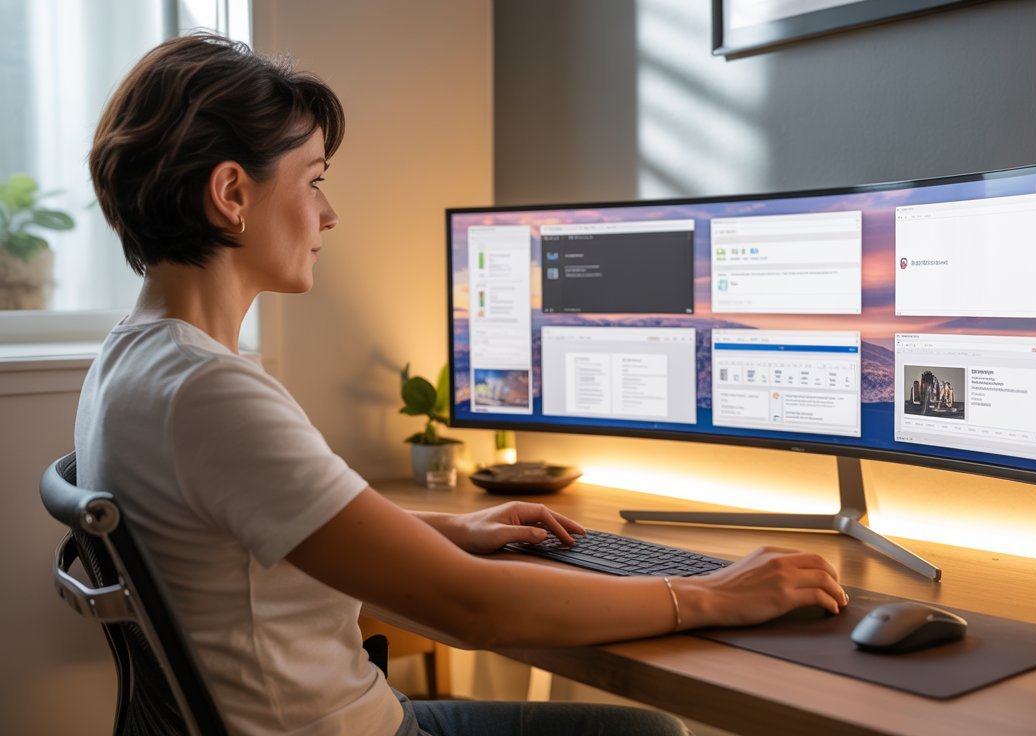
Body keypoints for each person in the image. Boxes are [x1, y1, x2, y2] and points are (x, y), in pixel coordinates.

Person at [77, 34, 847, 736]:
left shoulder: (134, 359)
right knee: (647, 733)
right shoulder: (209, 392)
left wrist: (452, 530)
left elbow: (279, 521)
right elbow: (470, 607)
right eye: (313, 182)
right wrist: (715, 595)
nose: (329, 213)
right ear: (232, 194)